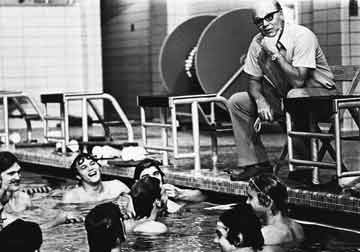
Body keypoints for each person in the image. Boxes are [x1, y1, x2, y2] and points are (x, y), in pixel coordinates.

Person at [228, 0, 337, 180]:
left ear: (281, 14)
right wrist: (260, 100)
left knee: (295, 96)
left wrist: (275, 54)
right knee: (237, 102)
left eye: (269, 17)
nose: (265, 24)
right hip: (287, 99)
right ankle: (257, 164)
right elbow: (253, 80)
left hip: (323, 100)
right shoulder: (257, 42)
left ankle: (303, 167)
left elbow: (299, 81)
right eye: (259, 21)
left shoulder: (302, 36)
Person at [246, 174, 304, 245]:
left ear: (267, 201)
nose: (247, 202)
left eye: (250, 197)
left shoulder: (267, 235)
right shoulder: (297, 227)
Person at [133, 158, 206, 213]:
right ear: (137, 182)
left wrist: (180, 193)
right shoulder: (135, 203)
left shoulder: (169, 193)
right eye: (146, 177)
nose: (153, 178)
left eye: (156, 174)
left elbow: (204, 196)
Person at [62, 152, 130, 203]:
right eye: (84, 167)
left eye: (92, 164)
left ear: (99, 167)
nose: (90, 168)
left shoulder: (117, 187)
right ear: (78, 176)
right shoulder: (72, 198)